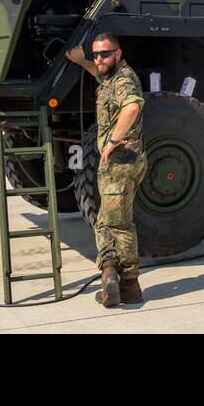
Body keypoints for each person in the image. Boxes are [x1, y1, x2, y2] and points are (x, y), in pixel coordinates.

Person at [69, 31, 147, 306]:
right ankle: (113, 276)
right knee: (106, 220)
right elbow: (99, 71)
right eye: (96, 54)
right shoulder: (110, 76)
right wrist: (81, 61)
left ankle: (128, 284)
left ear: (118, 53)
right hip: (115, 165)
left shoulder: (123, 79)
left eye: (105, 53)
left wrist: (113, 140)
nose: (99, 59)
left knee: (118, 224)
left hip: (122, 163)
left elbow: (133, 106)